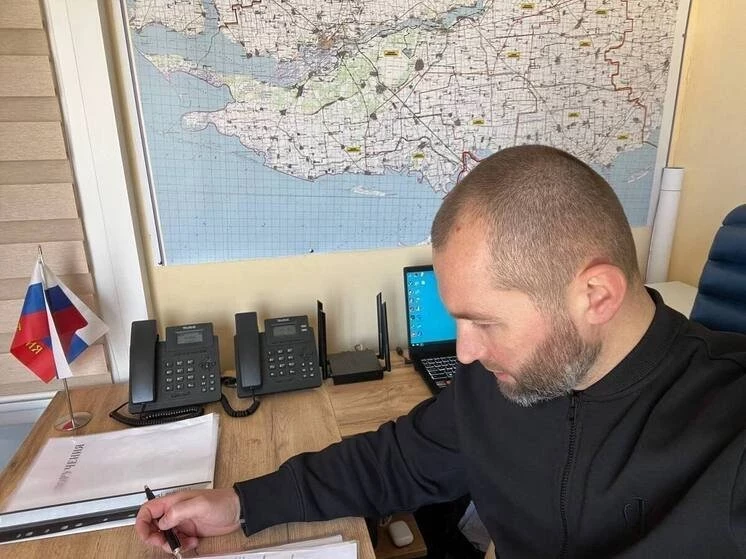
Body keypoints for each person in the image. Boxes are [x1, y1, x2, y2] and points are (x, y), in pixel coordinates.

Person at [136, 145, 746, 557]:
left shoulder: (728, 432)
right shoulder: (503, 380)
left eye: (485, 322)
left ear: (597, 295)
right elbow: (399, 460)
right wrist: (241, 503)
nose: (467, 352)